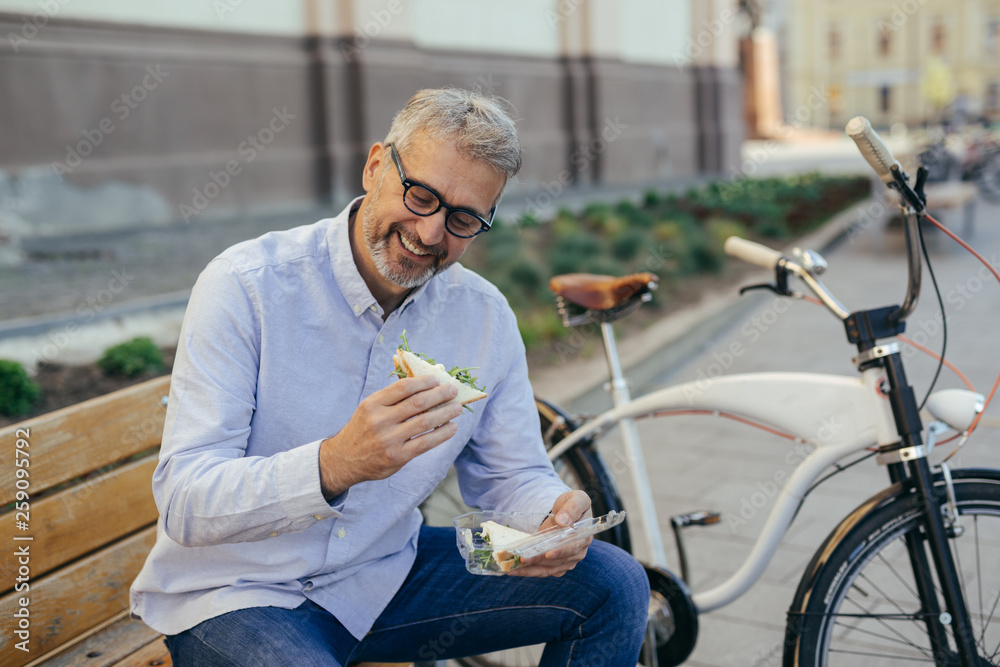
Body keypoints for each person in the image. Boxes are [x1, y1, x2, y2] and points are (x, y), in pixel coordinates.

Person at [130, 87, 649, 666]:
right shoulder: (247, 286)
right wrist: (336, 463)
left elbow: (511, 473)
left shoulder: (482, 316)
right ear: (376, 165)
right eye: (421, 195)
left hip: (383, 579)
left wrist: (552, 515)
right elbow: (184, 501)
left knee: (615, 584)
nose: (431, 234)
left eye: (463, 218)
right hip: (237, 594)